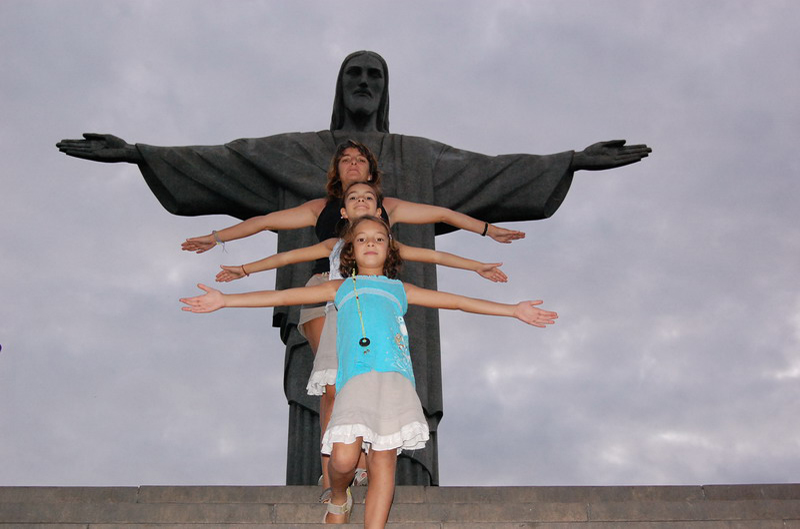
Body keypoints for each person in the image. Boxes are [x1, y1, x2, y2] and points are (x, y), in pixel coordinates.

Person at [55, 50, 650, 485]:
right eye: (354, 74)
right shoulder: (301, 154)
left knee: (391, 401)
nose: (364, 83)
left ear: (385, 91)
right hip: (327, 298)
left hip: (394, 311)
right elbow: (228, 164)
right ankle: (330, 484)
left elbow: (486, 175)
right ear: (339, 87)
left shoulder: (417, 158)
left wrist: (569, 162)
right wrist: (139, 153)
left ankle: (373, 482)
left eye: (374, 76)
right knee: (328, 386)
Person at [180, 216, 558, 527]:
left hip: (395, 381)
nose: (371, 242)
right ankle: (340, 496)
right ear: (351, 250)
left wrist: (512, 309)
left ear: (390, 248)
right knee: (343, 460)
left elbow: (457, 301)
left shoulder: (400, 289)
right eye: (362, 238)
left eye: (379, 237)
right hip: (355, 382)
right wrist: (225, 300)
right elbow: (282, 297)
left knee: (383, 461)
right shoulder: (340, 287)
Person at [212, 180, 509, 490]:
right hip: (340, 315)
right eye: (353, 197)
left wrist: (477, 267)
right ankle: (334, 475)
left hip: (375, 327)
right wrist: (244, 270)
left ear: (380, 211)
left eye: (368, 197)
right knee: (333, 388)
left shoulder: (387, 247)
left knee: (372, 389)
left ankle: (365, 462)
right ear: (342, 211)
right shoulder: (335, 245)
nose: (362, 202)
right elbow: (287, 259)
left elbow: (434, 258)